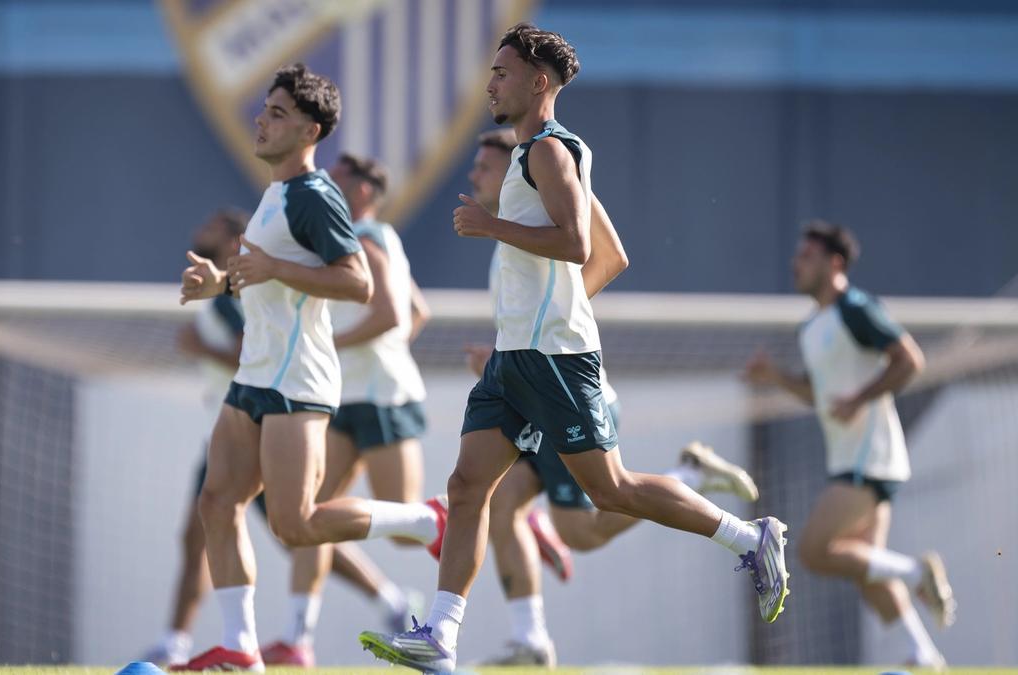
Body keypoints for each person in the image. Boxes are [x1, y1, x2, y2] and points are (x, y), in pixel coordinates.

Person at [359, 24, 789, 673]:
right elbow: (612, 256)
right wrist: (546, 310)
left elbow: (580, 248)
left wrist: (489, 228)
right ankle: (440, 634)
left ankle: (749, 535)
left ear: (539, 82)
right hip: (518, 357)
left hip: (553, 362)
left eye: (502, 72)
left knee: (608, 493)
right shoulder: (547, 152)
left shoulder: (548, 154)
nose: (490, 83)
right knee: (468, 485)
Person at [173, 63, 445, 672]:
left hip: (298, 382)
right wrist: (217, 282)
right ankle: (241, 647)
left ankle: (426, 519)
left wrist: (272, 270)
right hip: (256, 377)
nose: (261, 120)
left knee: (296, 527)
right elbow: (266, 280)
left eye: (277, 113)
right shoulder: (276, 194)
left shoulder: (317, 195)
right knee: (218, 504)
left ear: (310, 130)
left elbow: (357, 282)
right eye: (264, 109)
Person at [463, 131, 761, 667]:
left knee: (590, 521)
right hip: (533, 385)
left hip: (562, 388)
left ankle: (706, 494)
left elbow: (605, 254)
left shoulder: (549, 170)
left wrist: (545, 324)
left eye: (486, 167)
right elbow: (592, 269)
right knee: (494, 500)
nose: (476, 178)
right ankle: (528, 638)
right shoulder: (516, 224)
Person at [141, 211, 423, 667]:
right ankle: (185, 642)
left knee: (299, 527)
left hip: (260, 426)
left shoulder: (241, 293)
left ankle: (402, 572)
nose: (202, 228)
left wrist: (202, 348)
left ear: (236, 240)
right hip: (231, 427)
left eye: (214, 225)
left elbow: (254, 355)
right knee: (205, 528)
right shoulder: (227, 291)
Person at [744, 220, 954, 668]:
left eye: (807, 256)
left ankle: (917, 573)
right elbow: (819, 395)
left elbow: (909, 360)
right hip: (851, 458)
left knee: (814, 552)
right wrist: (775, 377)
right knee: (867, 568)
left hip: (870, 459)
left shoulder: (856, 308)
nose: (795, 263)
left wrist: (860, 398)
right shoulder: (812, 327)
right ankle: (923, 654)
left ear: (834, 263)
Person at [259, 153, 431, 667]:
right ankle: (296, 637)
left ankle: (443, 517)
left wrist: (336, 345)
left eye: (339, 181)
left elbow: (393, 315)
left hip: (381, 397)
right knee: (311, 515)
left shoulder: (367, 237)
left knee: (406, 531)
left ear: (361, 191)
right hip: (348, 395)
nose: (329, 187)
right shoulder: (369, 238)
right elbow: (417, 313)